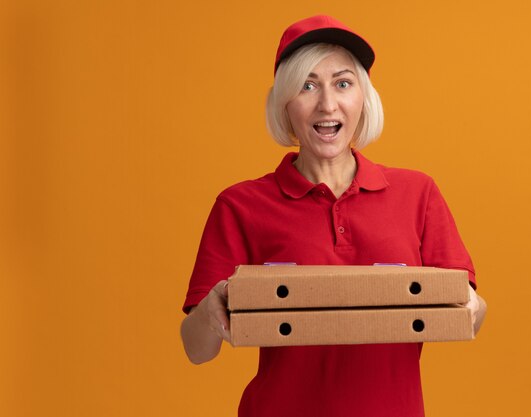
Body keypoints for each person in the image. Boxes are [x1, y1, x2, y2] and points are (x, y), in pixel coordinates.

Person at [180, 14, 487, 417]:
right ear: (285, 103)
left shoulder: (418, 194)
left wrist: (472, 306)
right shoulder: (240, 205)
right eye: (307, 86)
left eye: (343, 83)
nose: (327, 104)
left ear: (364, 97)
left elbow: (470, 316)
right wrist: (213, 309)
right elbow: (196, 349)